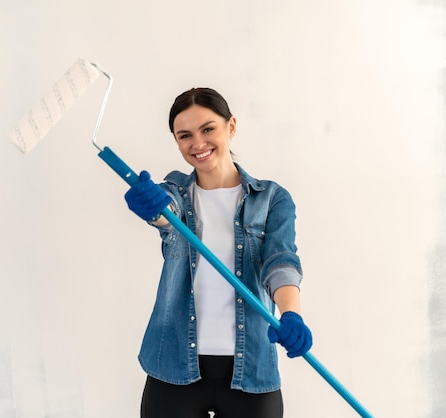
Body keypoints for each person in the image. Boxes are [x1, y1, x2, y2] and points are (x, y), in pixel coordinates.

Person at [124, 87, 312, 418]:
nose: (198, 143)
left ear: (231, 126)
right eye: (185, 136)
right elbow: (165, 214)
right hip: (174, 364)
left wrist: (290, 314)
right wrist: (152, 207)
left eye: (208, 128)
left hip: (251, 368)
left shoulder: (271, 199)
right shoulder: (177, 192)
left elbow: (280, 262)